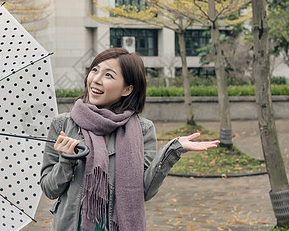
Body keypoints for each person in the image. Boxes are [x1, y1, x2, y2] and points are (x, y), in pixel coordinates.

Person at [40, 48, 219, 231]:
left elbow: (144, 191)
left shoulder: (143, 130)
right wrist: (66, 161)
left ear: (127, 89)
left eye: (108, 75)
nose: (95, 79)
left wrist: (173, 150)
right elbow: (49, 189)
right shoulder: (63, 124)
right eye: (95, 70)